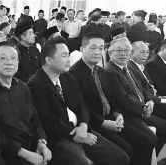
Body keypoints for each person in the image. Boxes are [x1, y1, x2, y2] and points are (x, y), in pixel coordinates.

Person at [27, 36, 130, 165]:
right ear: (49, 60)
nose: (69, 60)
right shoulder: (36, 85)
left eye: (69, 55)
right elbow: (47, 121)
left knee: (121, 157)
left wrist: (83, 125)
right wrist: (77, 134)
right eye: (64, 56)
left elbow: (82, 105)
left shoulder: (67, 77)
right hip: (60, 137)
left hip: (82, 129)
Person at [70, 33, 158, 165]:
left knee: (146, 141)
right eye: (93, 47)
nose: (98, 52)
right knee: (131, 148)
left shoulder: (100, 71)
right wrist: (103, 122)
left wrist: (117, 113)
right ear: (82, 49)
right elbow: (82, 107)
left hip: (112, 118)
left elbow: (111, 98)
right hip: (94, 123)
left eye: (100, 48)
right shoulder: (74, 74)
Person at [0, 41, 53, 165]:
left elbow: (35, 118)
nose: (9, 62)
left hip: (31, 146)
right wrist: (25, 154)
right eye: (3, 58)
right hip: (5, 154)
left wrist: (41, 142)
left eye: (13, 58)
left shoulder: (22, 87)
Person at [104, 37, 159, 161]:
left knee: (153, 139)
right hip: (124, 115)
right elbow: (122, 98)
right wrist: (143, 108)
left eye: (127, 50)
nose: (123, 54)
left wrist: (149, 100)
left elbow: (143, 88)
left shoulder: (127, 68)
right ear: (110, 52)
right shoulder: (110, 71)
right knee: (147, 141)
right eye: (119, 50)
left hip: (137, 112)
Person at [128, 41, 166, 154]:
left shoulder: (141, 67)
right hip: (142, 109)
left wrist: (154, 97)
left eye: (147, 52)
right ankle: (157, 156)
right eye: (142, 52)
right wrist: (158, 99)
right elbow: (141, 93)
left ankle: (159, 156)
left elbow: (149, 89)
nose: (145, 55)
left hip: (152, 102)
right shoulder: (130, 68)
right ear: (132, 53)